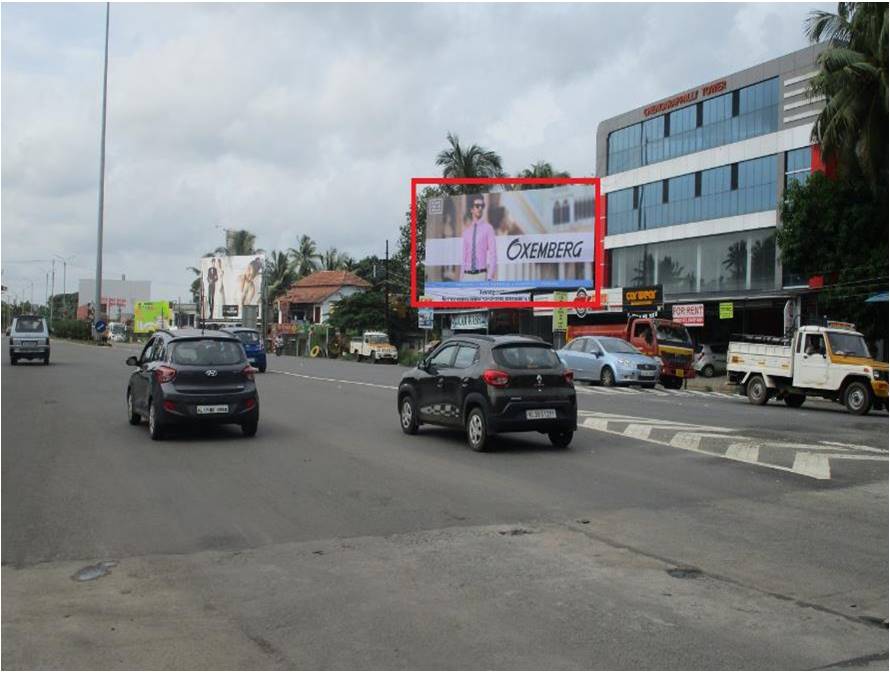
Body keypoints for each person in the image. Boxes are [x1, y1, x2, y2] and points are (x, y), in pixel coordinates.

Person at [461, 196, 497, 281]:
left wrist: (490, 276)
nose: (480, 208)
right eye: (477, 206)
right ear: (471, 209)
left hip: (481, 275)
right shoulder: (466, 232)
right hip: (467, 276)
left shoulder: (488, 228)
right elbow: (463, 257)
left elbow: (493, 254)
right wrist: (461, 279)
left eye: (482, 206)